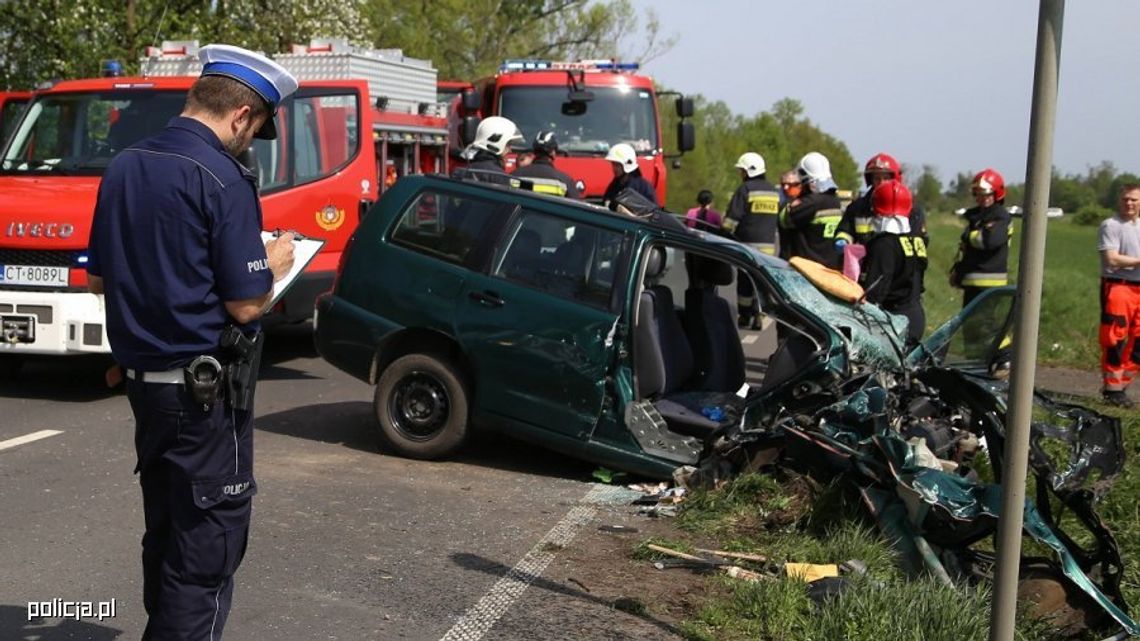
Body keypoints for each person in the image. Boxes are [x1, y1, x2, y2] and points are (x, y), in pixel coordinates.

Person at [86, 44, 298, 639]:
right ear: (241, 117)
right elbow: (246, 301)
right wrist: (274, 258)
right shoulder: (222, 176)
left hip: (144, 390)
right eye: (255, 130)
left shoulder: (125, 163)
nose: (249, 142)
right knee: (205, 553)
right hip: (203, 399)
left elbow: (100, 277)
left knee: (168, 534)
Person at [950, 168, 1013, 373]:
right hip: (971, 281)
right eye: (978, 194)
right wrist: (957, 271)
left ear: (996, 194)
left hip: (990, 281)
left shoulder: (1001, 217)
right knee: (970, 325)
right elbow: (967, 251)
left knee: (987, 324)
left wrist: (971, 236)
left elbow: (989, 241)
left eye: (986, 194)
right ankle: (976, 364)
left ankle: (1006, 355)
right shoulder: (976, 217)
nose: (982, 198)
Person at [859, 179, 926, 346]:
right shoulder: (916, 240)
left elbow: (877, 288)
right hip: (915, 315)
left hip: (894, 321)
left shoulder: (884, 243)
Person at [723, 152, 780, 327]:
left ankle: (745, 316)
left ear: (749, 171)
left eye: (742, 171)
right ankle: (759, 315)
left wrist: (722, 234)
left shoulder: (745, 190)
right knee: (762, 282)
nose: (741, 174)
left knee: (745, 282)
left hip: (747, 246)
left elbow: (731, 219)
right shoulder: (773, 192)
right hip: (768, 248)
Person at [1097, 184, 1140, 407]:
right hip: (1118, 287)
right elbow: (1111, 259)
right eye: (1126, 199)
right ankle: (1112, 389)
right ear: (1119, 201)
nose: (1130, 203)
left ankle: (1122, 386)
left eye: (1134, 199)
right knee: (1115, 338)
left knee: (1138, 340)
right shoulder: (1111, 226)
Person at [779, 151, 845, 270]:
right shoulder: (835, 201)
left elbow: (784, 219)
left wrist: (790, 200)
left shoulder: (810, 203)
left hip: (807, 269)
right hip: (829, 268)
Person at [453, 115, 523, 185]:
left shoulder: (460, 173)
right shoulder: (503, 179)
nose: (510, 150)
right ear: (498, 142)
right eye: (508, 145)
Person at [511, 130, 581, 198]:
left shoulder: (515, 175)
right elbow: (576, 206)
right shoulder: (564, 181)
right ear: (553, 152)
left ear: (534, 151)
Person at [603, 142, 657, 209]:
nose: (614, 168)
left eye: (617, 165)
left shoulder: (643, 187)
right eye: (613, 164)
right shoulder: (614, 186)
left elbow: (653, 212)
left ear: (628, 164)